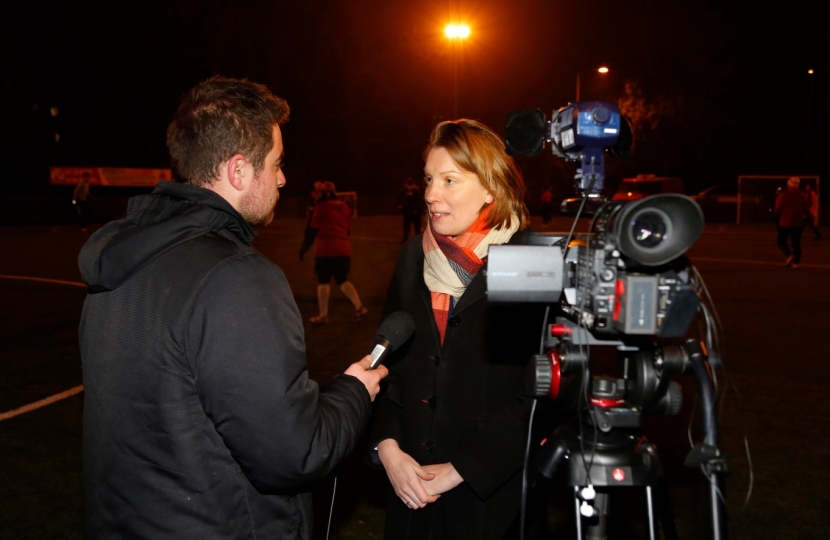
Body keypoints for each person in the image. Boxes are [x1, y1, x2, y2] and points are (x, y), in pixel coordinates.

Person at [77, 77, 387, 539]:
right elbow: (294, 453)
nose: (282, 178)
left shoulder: (122, 259)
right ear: (239, 171)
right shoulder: (235, 277)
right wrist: (353, 392)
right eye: (276, 164)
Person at [368, 119, 552, 539]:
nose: (431, 195)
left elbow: (544, 394)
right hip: (411, 492)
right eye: (430, 179)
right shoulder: (413, 256)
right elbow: (388, 365)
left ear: (490, 186)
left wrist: (463, 470)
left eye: (450, 180)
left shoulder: (532, 262)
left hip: (495, 502)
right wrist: (388, 448)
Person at [299, 181, 368, 323]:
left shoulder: (320, 207)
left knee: (323, 282)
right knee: (342, 280)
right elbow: (348, 231)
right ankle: (359, 307)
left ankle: (323, 316)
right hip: (343, 251)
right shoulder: (344, 207)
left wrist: (303, 249)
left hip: (325, 251)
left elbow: (311, 231)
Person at [775, 176, 811, 268]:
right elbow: (806, 209)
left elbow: (778, 208)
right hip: (798, 223)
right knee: (796, 243)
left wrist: (777, 215)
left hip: (785, 222)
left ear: (789, 184)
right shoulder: (802, 196)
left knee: (780, 241)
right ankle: (796, 263)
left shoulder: (783, 195)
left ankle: (789, 254)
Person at [400, 176, 425, 241]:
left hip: (415, 212)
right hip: (408, 212)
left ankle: (418, 239)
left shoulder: (416, 191)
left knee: (417, 227)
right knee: (406, 226)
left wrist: (418, 211)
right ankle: (405, 238)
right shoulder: (405, 191)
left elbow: (418, 202)